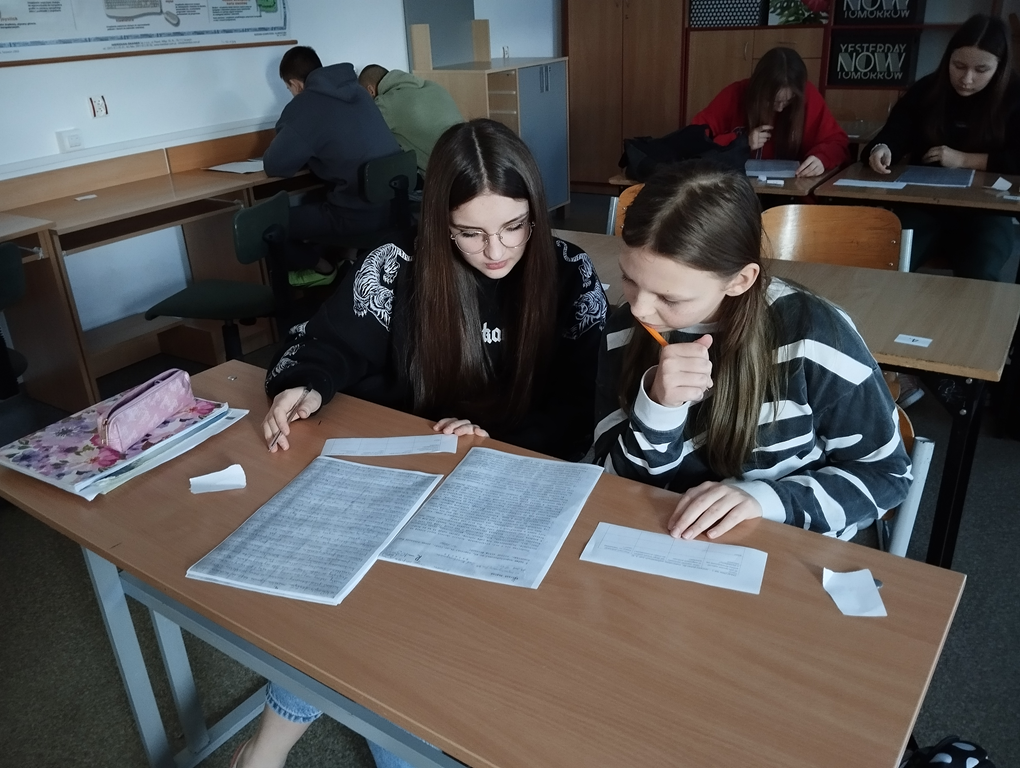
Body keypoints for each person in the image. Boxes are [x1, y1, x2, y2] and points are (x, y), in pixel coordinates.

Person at [237, 118, 608, 768]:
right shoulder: (396, 264)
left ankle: (270, 745)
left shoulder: (571, 273)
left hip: (524, 478)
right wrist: (306, 386)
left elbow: (581, 409)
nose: (496, 250)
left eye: (514, 226)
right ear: (440, 221)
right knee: (366, 605)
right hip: (417, 475)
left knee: (416, 626)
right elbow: (324, 343)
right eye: (470, 232)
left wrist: (495, 441)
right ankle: (271, 749)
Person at [588, 161, 910, 542]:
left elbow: (887, 476)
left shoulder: (814, 336)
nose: (639, 308)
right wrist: (658, 409)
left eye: (669, 298)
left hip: (785, 544)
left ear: (740, 280)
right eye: (628, 278)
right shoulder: (624, 330)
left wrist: (764, 499)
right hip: (666, 541)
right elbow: (614, 485)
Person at [865, 14, 1020, 283]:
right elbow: (894, 133)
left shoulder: (1014, 96)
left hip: (987, 211)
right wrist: (882, 149)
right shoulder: (927, 89)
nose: (966, 79)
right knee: (885, 264)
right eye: (958, 65)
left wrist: (964, 160)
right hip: (923, 205)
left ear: (1000, 66)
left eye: (981, 70)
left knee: (981, 273)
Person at [264, 46, 401, 287]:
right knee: (315, 199)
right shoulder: (358, 92)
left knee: (266, 224)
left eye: (288, 89)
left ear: (295, 84)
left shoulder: (306, 105)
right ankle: (346, 260)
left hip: (356, 216)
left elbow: (275, 165)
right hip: (394, 207)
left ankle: (322, 267)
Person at [691, 47, 849, 177]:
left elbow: (838, 142)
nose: (780, 108)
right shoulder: (735, 94)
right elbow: (692, 141)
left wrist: (821, 159)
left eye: (788, 101)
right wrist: (742, 142)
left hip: (792, 191)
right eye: (771, 101)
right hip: (735, 188)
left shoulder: (807, 95)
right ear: (758, 89)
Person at [358, 64, 465, 177]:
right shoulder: (433, 86)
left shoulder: (386, 104)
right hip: (471, 159)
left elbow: (360, 133)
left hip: (447, 177)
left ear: (370, 91)